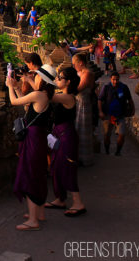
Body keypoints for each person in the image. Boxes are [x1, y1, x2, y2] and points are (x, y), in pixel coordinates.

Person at [6, 65, 56, 231]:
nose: (35, 78)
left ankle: (33, 220)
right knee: (39, 174)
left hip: (33, 139)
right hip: (39, 138)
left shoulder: (38, 94)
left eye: (37, 76)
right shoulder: (45, 96)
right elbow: (28, 108)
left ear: (42, 79)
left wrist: (9, 87)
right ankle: (39, 213)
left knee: (30, 174)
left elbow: (14, 102)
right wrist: (16, 88)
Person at [45, 67, 87, 217]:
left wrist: (40, 79)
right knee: (56, 167)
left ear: (68, 82)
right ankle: (60, 199)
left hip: (66, 137)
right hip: (58, 135)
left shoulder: (68, 97)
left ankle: (78, 203)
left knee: (67, 168)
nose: (57, 80)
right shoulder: (61, 94)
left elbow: (47, 97)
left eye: (60, 78)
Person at [98, 71, 132, 156]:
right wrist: (100, 111)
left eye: (117, 80)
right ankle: (107, 152)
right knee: (107, 135)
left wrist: (133, 109)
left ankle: (118, 152)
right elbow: (100, 100)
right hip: (108, 115)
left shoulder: (124, 87)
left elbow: (129, 99)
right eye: (113, 80)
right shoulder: (106, 88)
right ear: (110, 79)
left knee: (122, 135)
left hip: (120, 115)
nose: (115, 82)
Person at [72, 53, 95, 167]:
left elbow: (78, 89)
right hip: (78, 103)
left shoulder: (87, 74)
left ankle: (84, 158)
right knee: (77, 129)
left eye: (75, 64)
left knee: (83, 130)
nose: (74, 66)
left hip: (84, 104)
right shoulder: (80, 73)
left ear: (80, 63)